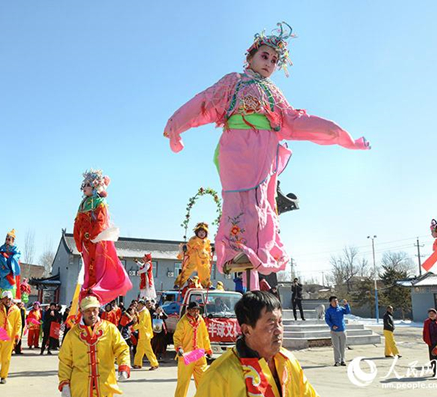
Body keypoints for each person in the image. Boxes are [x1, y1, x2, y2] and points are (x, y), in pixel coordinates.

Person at [164, 22, 370, 291]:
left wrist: (339, 136)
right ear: (249, 57)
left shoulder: (273, 92)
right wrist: (177, 124)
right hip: (237, 148)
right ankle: (235, 249)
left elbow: (295, 120)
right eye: (265, 56)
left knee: (263, 201)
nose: (269, 63)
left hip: (265, 149)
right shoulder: (233, 82)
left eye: (274, 60)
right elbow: (204, 102)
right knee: (238, 197)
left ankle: (259, 254)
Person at [195, 291, 319, 396]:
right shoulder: (219, 375)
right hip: (189, 357)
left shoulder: (288, 360)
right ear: (246, 330)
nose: (278, 330)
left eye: (280, 322)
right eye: (271, 323)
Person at [73, 169, 132, 303]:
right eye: (84, 184)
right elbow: (77, 223)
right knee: (88, 267)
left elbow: (101, 220)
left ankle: (94, 290)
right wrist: (78, 240)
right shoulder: (83, 203)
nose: (84, 188)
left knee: (96, 266)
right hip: (85, 242)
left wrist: (93, 236)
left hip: (94, 241)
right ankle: (88, 289)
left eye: (87, 184)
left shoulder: (99, 202)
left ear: (94, 186)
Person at [58, 295, 130, 397]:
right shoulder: (72, 334)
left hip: (105, 386)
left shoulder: (110, 329)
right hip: (80, 388)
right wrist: (64, 383)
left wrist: (124, 366)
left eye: (94, 310)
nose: (92, 314)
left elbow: (122, 349)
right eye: (88, 310)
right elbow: (65, 361)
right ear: (82, 312)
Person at [173, 301, 212, 397]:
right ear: (189, 310)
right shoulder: (183, 322)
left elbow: (204, 336)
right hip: (187, 356)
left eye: (197, 310)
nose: (196, 312)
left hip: (199, 354)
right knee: (183, 382)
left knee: (203, 380)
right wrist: (179, 348)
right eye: (194, 310)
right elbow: (177, 337)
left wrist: (208, 349)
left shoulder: (201, 320)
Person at [175, 223, 213, 289]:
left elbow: (208, 249)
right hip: (194, 258)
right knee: (187, 271)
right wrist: (185, 248)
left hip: (203, 260)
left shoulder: (207, 241)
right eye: (200, 232)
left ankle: (207, 284)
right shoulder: (193, 239)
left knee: (205, 272)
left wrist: (211, 251)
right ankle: (179, 283)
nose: (201, 233)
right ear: (197, 233)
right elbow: (189, 246)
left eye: (203, 232)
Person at [0, 230, 22, 297]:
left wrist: (12, 258)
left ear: (12, 240)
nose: (7, 241)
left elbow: (17, 255)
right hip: (3, 265)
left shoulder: (15, 248)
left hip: (11, 266)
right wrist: (4, 257)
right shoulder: (2, 247)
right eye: (6, 239)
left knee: (12, 284)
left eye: (9, 239)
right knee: (3, 282)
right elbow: (0, 255)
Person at [132, 300, 158, 370]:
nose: (138, 306)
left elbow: (142, 323)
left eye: (139, 305)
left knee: (148, 350)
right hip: (143, 334)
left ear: (142, 305)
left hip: (145, 334)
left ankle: (154, 364)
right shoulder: (143, 312)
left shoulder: (144, 312)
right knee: (139, 350)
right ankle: (137, 364)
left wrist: (133, 328)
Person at [325, 296, 351, 366]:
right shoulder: (329, 310)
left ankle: (343, 360)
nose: (336, 302)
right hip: (334, 332)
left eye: (336, 301)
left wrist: (346, 305)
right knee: (336, 347)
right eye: (334, 301)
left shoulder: (341, 309)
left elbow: (348, 311)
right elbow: (327, 319)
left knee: (343, 346)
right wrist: (332, 325)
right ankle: (337, 361)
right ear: (331, 302)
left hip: (342, 330)